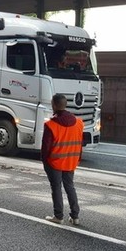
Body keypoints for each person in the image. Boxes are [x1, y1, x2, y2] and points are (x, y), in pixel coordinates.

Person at [42, 93, 84, 225]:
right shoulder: (79, 123)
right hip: (71, 161)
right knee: (70, 186)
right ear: (65, 105)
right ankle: (75, 216)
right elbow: (80, 143)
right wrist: (78, 159)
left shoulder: (50, 125)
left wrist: (44, 161)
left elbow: (46, 148)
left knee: (56, 187)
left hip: (55, 162)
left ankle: (58, 216)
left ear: (54, 105)